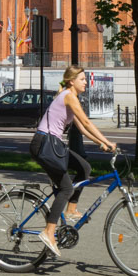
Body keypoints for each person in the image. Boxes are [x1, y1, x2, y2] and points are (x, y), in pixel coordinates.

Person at [29, 65, 116, 258]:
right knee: (67, 188)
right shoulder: (68, 95)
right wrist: (108, 142)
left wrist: (100, 142)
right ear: (71, 81)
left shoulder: (71, 97)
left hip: (54, 145)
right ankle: (49, 232)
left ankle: (71, 209)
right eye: (83, 79)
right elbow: (87, 122)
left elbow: (82, 129)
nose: (86, 82)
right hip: (45, 144)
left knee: (84, 167)